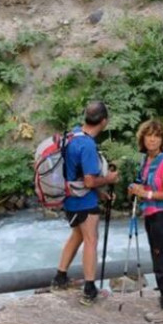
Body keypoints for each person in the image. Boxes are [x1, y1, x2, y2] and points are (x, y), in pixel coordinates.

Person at [51, 101, 119, 305]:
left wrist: (100, 194)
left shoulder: (73, 135)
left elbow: (77, 174)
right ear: (104, 121)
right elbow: (89, 180)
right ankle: (89, 289)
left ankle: (60, 277)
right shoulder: (88, 145)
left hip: (69, 197)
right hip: (83, 201)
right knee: (91, 240)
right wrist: (109, 179)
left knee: (77, 235)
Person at [127, 119, 163, 322]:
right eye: (148, 135)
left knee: (161, 259)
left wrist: (146, 194)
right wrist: (136, 189)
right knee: (161, 257)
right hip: (151, 215)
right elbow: (143, 185)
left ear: (162, 139)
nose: (152, 139)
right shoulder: (147, 161)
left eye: (156, 136)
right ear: (143, 138)